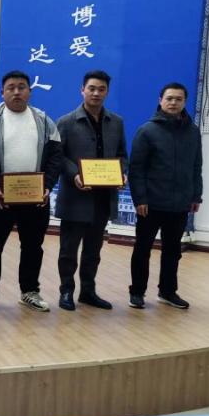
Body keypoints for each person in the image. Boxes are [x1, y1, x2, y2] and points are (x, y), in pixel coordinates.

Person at [0, 71, 63, 312]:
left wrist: (47, 185)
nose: (16, 92)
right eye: (11, 87)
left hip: (35, 198)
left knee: (33, 246)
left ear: (29, 91)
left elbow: (56, 157)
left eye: (22, 87)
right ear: (2, 92)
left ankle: (30, 291)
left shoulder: (43, 120)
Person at [55, 71, 128, 311]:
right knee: (68, 250)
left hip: (103, 198)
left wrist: (122, 173)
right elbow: (58, 156)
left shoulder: (116, 122)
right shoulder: (66, 122)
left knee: (93, 250)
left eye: (101, 89)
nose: (96, 93)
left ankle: (88, 291)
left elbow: (122, 155)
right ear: (82, 90)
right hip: (75, 196)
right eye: (92, 88)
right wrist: (75, 174)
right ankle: (66, 290)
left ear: (107, 92)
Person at [128, 82, 203, 310]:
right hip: (151, 204)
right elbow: (136, 169)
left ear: (184, 102)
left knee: (173, 251)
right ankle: (137, 292)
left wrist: (196, 195)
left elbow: (196, 166)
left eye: (178, 99)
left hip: (180, 203)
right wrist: (140, 199)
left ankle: (168, 292)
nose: (173, 103)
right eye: (169, 98)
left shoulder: (193, 131)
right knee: (142, 250)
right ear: (160, 100)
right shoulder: (147, 131)